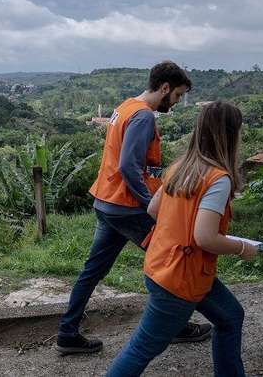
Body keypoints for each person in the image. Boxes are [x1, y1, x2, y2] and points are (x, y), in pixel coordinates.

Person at [56, 61, 210, 355]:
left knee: (92, 271)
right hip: (127, 207)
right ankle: (178, 326)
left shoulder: (125, 107)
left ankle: (67, 332)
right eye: (176, 95)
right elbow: (129, 165)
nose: (176, 103)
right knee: (174, 261)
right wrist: (149, 203)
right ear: (164, 88)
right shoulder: (143, 117)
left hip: (106, 202)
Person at [106, 101, 257, 376]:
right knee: (141, 349)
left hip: (168, 266)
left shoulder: (180, 167)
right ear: (231, 136)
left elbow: (153, 209)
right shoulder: (217, 179)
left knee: (231, 317)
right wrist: (242, 247)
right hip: (180, 279)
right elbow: (205, 237)